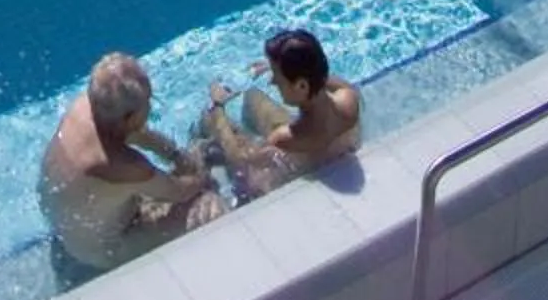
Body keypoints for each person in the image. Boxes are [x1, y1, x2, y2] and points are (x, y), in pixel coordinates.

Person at [39, 53, 226, 270]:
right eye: (149, 102)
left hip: (66, 228)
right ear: (130, 117)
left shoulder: (86, 108)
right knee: (207, 203)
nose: (150, 107)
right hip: (102, 250)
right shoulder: (124, 166)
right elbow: (183, 191)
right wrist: (200, 169)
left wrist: (176, 155)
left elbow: (139, 134)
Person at [197, 30, 361, 193]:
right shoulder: (348, 100)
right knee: (253, 96)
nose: (273, 81)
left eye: (278, 77)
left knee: (209, 120)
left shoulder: (285, 138)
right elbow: (321, 78)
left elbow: (240, 157)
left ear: (302, 86)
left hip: (294, 168)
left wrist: (217, 106)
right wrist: (280, 66)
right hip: (327, 147)